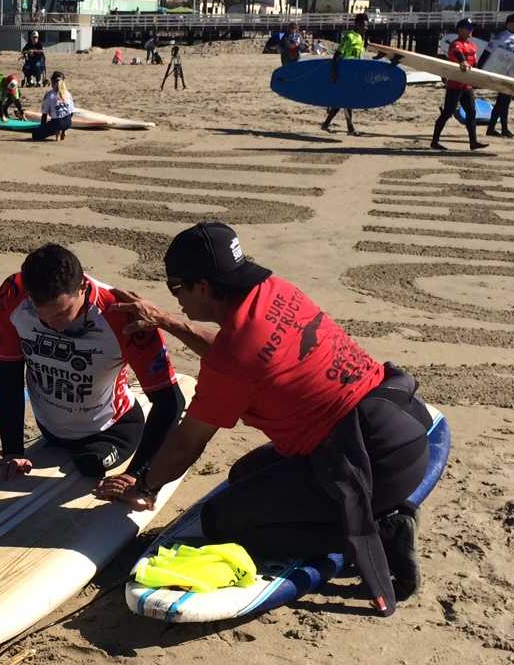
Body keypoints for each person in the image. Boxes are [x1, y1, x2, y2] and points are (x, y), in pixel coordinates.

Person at [97, 221, 433, 615]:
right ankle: (380, 511)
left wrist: (146, 484)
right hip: (399, 423)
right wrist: (168, 321)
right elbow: (237, 352)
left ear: (203, 287)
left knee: (223, 521)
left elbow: (189, 440)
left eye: (178, 289)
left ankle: (384, 530)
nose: (179, 300)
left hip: (372, 461)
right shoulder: (274, 291)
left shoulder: (234, 357)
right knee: (244, 475)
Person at [0, 243, 185, 485]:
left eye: (63, 313)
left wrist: (137, 475)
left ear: (83, 286)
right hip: (50, 430)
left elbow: (171, 402)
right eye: (42, 316)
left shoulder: (122, 313)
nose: (54, 325)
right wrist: (13, 451)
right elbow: (7, 375)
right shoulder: (12, 294)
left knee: (89, 465)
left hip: (112, 430)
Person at [432, 18, 486, 152]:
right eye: (468, 28)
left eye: (472, 28)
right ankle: (435, 141)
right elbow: (458, 53)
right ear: (460, 30)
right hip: (455, 85)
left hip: (467, 86)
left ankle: (473, 142)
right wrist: (462, 62)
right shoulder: (455, 44)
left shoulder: (473, 46)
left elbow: (475, 65)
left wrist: (480, 77)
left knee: (471, 112)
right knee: (447, 113)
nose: (470, 31)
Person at [321, 12, 368, 135]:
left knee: (341, 101)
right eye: (364, 25)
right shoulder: (349, 37)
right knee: (347, 101)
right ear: (357, 24)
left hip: (353, 74)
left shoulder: (361, 38)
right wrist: (335, 73)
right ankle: (350, 128)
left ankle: (326, 124)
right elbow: (337, 55)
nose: (366, 27)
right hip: (344, 73)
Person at [484, 13, 514, 137]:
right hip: (501, 73)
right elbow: (486, 53)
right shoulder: (500, 37)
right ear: (508, 23)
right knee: (504, 101)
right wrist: (481, 70)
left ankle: (493, 128)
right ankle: (503, 129)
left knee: (503, 101)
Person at [31, 70, 75, 142]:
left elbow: (44, 114)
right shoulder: (68, 93)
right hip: (68, 123)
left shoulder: (49, 95)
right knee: (59, 121)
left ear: (52, 82)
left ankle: (58, 132)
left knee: (35, 135)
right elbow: (71, 112)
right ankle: (63, 131)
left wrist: (42, 129)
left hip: (56, 123)